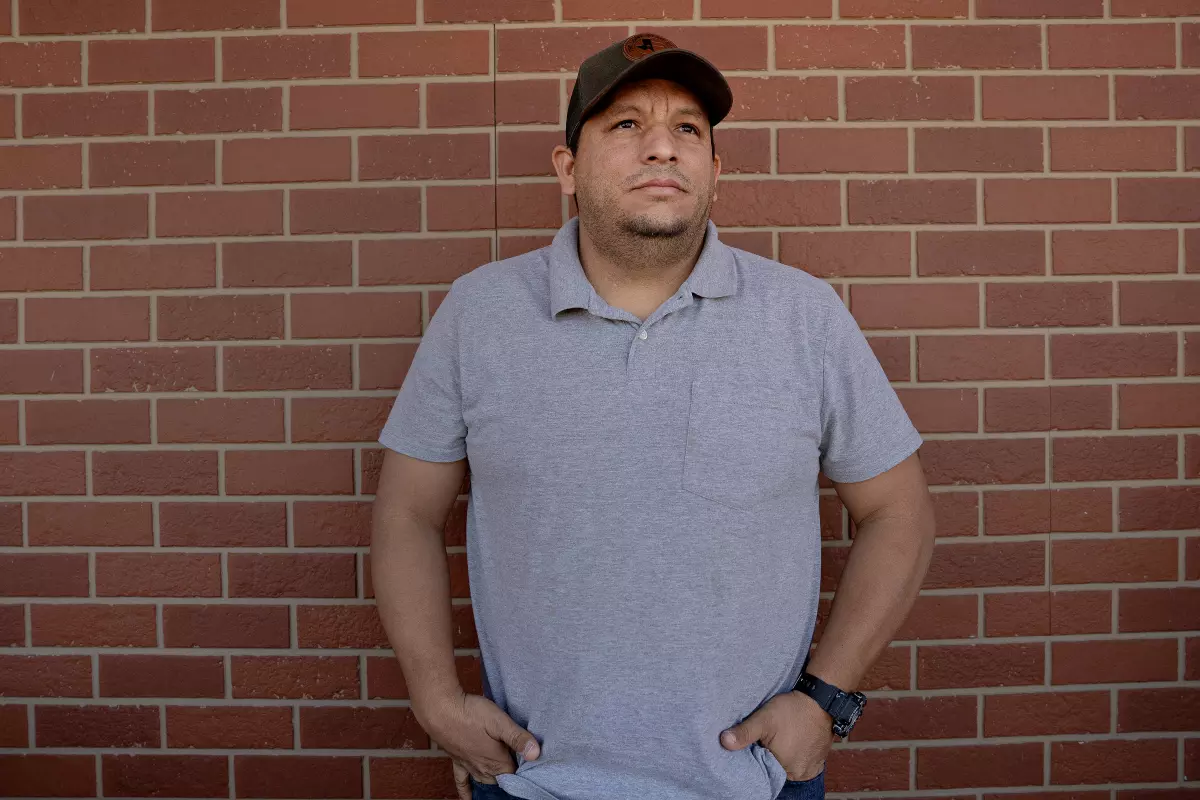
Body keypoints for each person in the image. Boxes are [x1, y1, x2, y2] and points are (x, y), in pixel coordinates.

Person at [370, 33, 937, 800]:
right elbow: (407, 512)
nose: (662, 148)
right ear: (568, 169)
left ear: (715, 172)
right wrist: (435, 699)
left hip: (752, 783)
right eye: (627, 125)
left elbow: (899, 512)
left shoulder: (803, 317)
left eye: (688, 130)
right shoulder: (481, 315)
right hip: (536, 781)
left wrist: (825, 701)